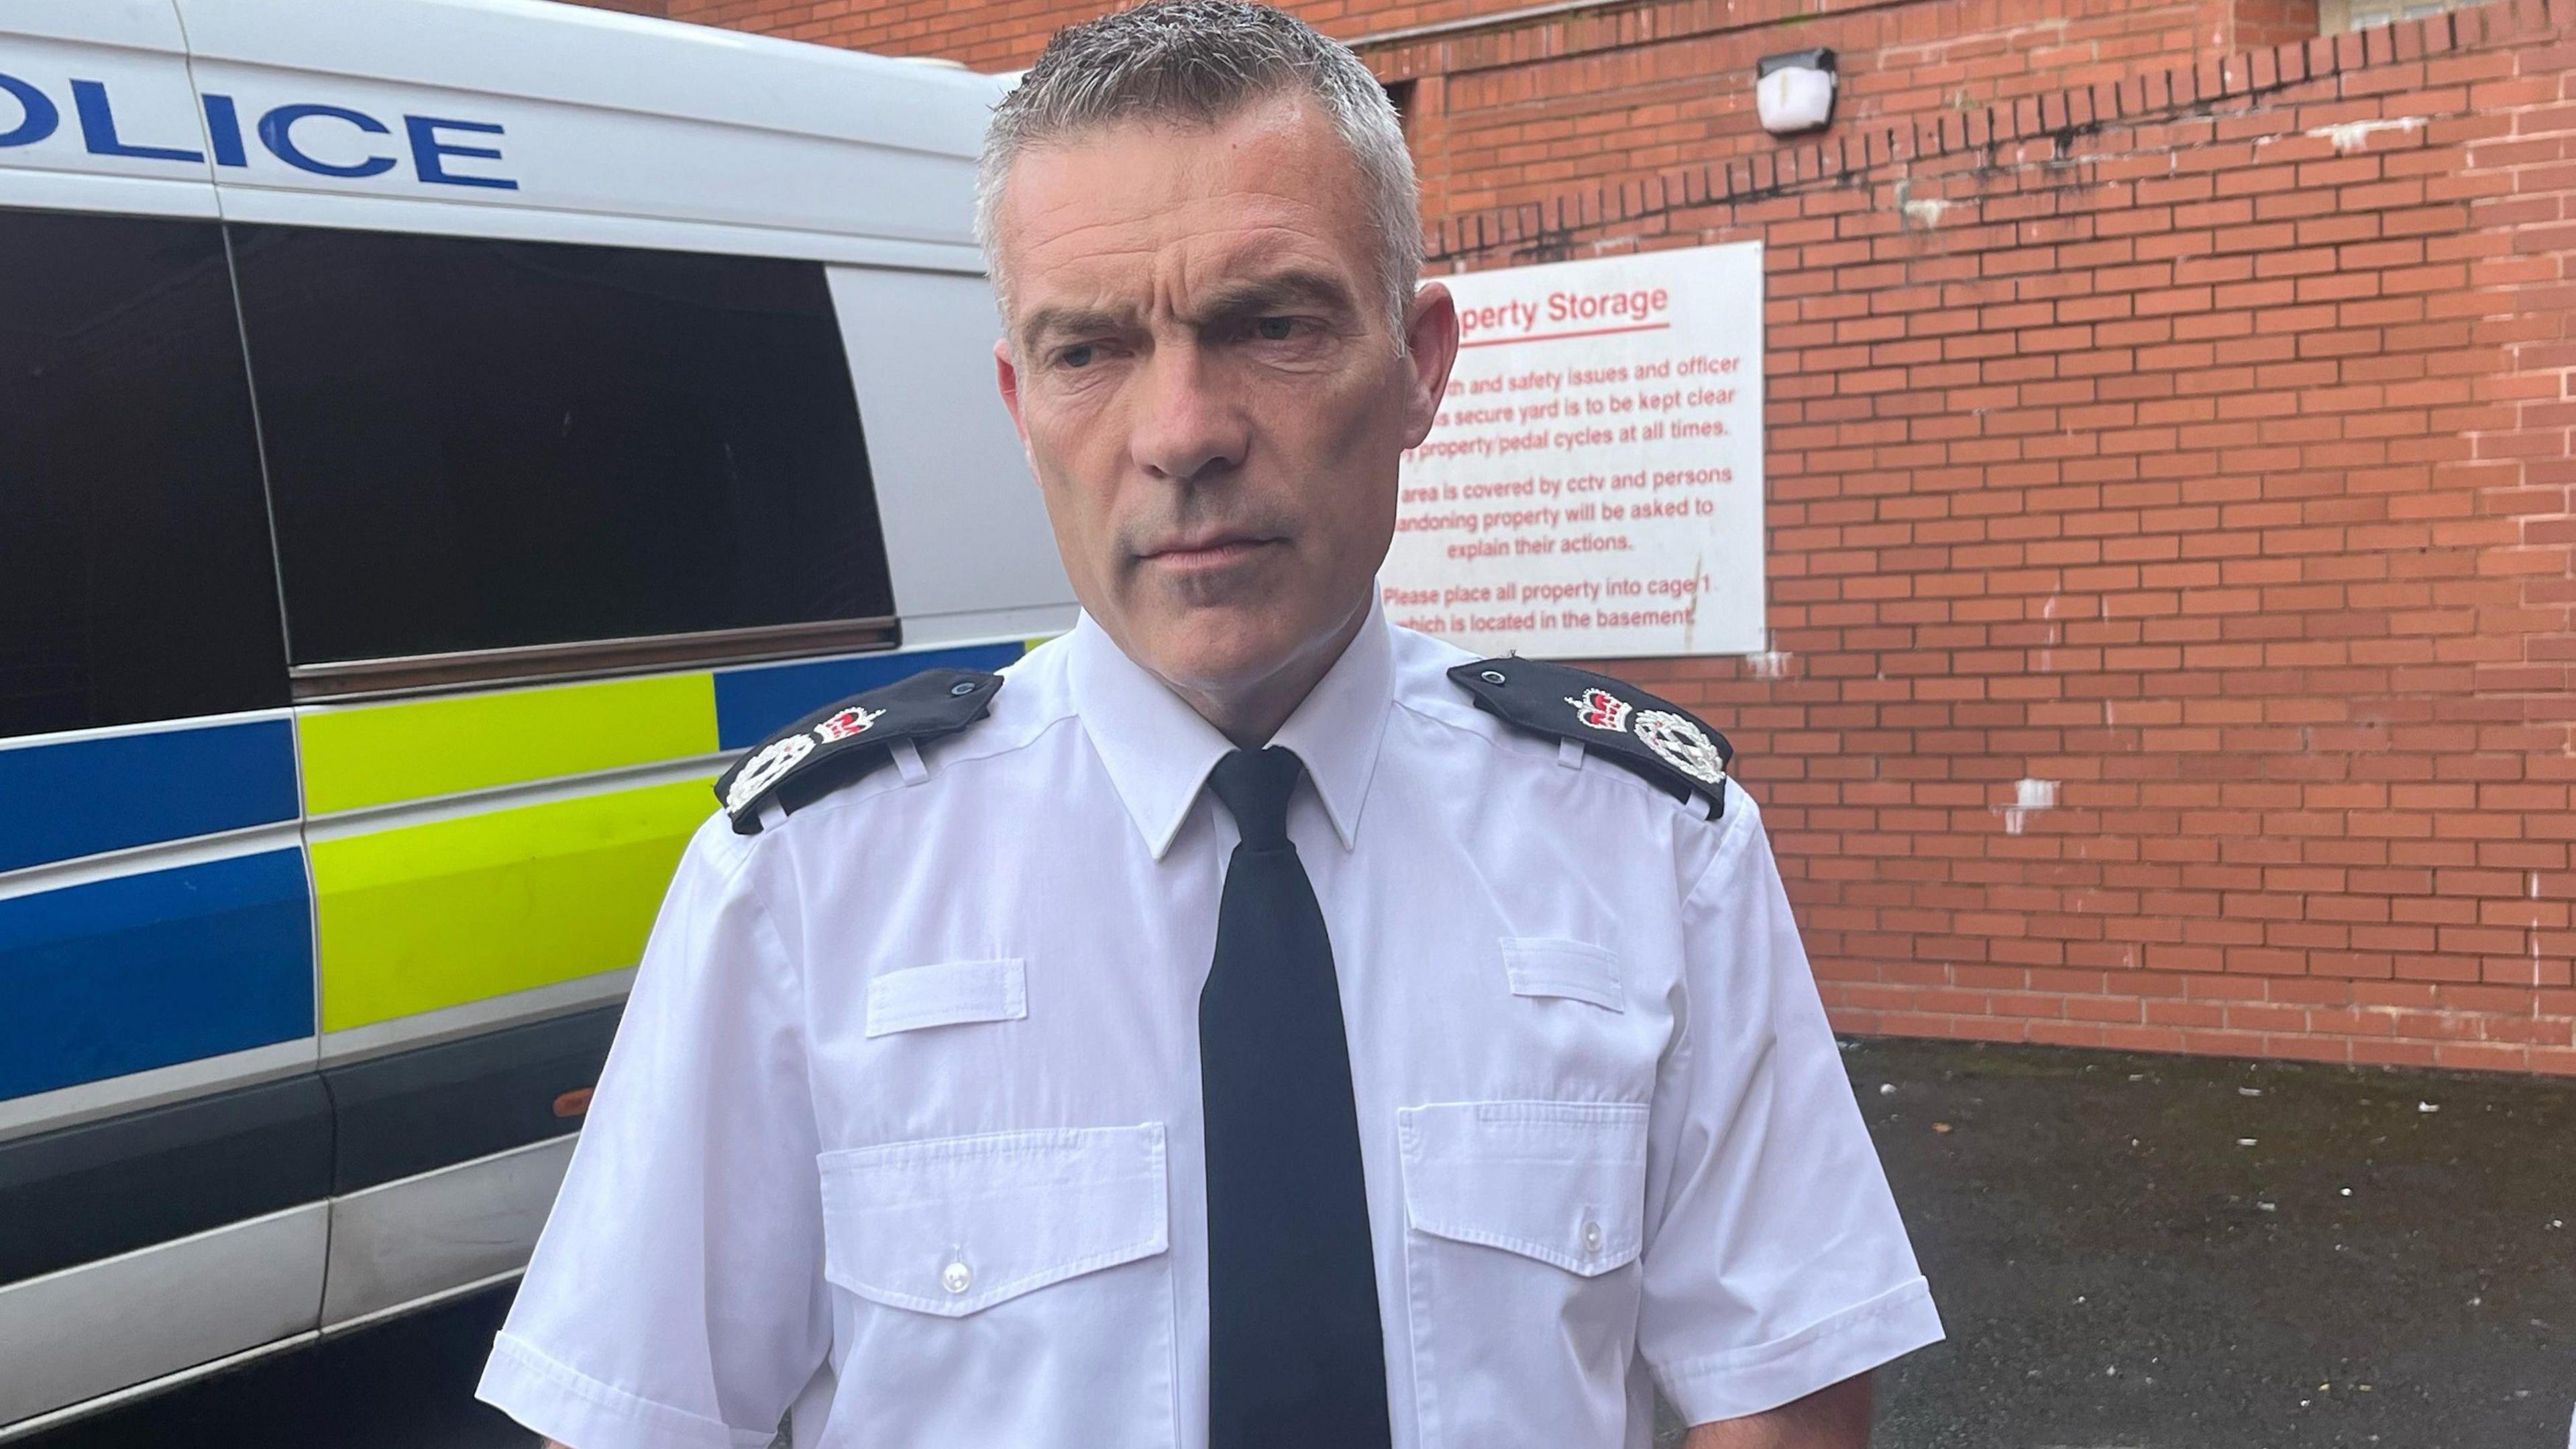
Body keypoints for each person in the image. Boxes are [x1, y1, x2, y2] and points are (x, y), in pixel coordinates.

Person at [474, 4, 1942, 1446]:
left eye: (1270, 325)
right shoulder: (807, 883)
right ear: (1018, 400)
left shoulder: (1647, 849)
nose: (1180, 431)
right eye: (1090, 351)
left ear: (1422, 363)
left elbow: (1783, 1375)